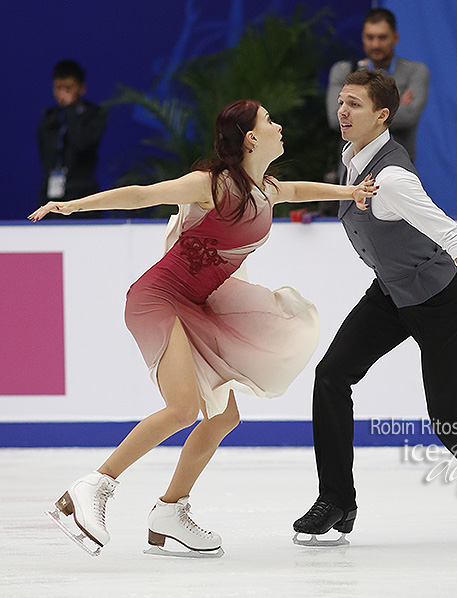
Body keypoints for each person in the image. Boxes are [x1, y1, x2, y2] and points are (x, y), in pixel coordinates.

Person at [30, 99, 375, 557]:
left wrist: (348, 194)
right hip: (158, 298)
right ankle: (91, 490)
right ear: (252, 137)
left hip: (194, 306)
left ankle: (170, 510)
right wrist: (72, 205)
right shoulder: (212, 185)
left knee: (223, 417)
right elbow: (141, 194)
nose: (279, 125)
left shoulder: (265, 189)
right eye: (270, 121)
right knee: (182, 409)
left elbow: (296, 190)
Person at [293, 70, 457, 545]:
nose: (343, 111)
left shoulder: (393, 177)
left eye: (355, 104)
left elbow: (455, 236)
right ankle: (337, 499)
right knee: (331, 375)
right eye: (342, 102)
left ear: (383, 115)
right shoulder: (351, 155)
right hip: (392, 292)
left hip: (438, 299)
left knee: (449, 416)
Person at [326, 8, 429, 163]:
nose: (376, 44)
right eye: (370, 37)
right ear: (362, 37)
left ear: (395, 37)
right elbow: (335, 119)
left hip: (397, 163)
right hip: (352, 163)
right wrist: (397, 105)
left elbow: (410, 116)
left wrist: (360, 114)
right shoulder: (344, 70)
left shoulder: (415, 71)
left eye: (382, 38)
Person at [37, 60, 107, 217]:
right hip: (52, 193)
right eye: (58, 88)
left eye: (68, 88)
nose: (62, 94)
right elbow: (46, 154)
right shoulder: (49, 118)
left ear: (82, 88)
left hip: (83, 193)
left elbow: (81, 143)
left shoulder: (94, 115)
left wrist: (70, 111)